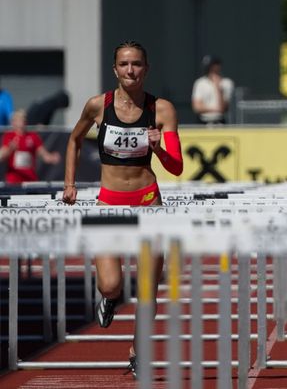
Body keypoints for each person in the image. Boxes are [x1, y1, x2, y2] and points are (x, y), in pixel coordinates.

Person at [61, 41, 184, 377]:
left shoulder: (162, 109)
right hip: (108, 203)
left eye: (137, 64)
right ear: (115, 69)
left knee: (147, 288)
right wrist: (69, 184)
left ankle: (137, 351)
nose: (131, 70)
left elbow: (176, 168)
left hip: (148, 202)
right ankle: (110, 298)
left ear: (146, 69)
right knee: (111, 284)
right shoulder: (98, 106)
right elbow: (73, 140)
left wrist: (159, 148)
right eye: (125, 64)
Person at [0, 110, 61, 184]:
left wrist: (51, 158)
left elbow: (43, 154)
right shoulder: (9, 136)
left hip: (30, 178)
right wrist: (10, 149)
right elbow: (2, 155)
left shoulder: (33, 136)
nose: (21, 123)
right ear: (14, 122)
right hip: (14, 179)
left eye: (23, 120)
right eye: (19, 120)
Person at [191, 55, 234, 125]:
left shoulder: (227, 83)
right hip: (202, 121)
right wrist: (215, 109)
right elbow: (197, 107)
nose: (210, 69)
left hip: (220, 121)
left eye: (212, 66)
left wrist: (218, 88)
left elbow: (223, 108)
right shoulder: (200, 83)